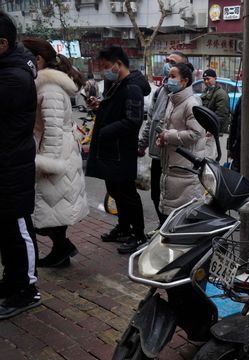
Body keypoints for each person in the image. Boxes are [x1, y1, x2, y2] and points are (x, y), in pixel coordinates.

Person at [22, 38, 89, 268]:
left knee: (48, 210)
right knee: (53, 208)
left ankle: (62, 249)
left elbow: (52, 129)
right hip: (60, 152)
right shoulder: (48, 85)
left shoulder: (48, 88)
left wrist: (47, 162)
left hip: (55, 155)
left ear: (37, 59)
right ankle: (62, 249)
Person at [85, 46, 151, 255]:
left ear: (118, 64)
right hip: (112, 151)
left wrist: (105, 130)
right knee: (115, 192)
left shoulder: (132, 88)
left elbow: (133, 120)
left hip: (122, 151)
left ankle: (139, 235)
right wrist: (99, 107)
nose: (105, 71)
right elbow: (116, 110)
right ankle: (123, 228)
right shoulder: (117, 84)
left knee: (127, 194)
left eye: (106, 67)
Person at [0, 11, 41, 319]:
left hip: (11, 163)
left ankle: (27, 288)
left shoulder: (14, 77)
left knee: (18, 228)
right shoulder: (10, 65)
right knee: (6, 231)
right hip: (7, 161)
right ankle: (12, 280)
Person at [138, 51, 188, 227]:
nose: (167, 65)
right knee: (156, 195)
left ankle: (169, 231)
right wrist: (143, 144)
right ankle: (162, 228)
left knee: (172, 199)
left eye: (172, 63)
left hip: (174, 157)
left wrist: (169, 136)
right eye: (167, 61)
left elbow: (194, 134)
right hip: (157, 154)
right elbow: (151, 121)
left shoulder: (188, 99)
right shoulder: (160, 92)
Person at [156, 63, 207, 220]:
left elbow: (195, 134)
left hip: (184, 169)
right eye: (168, 76)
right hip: (171, 165)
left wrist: (168, 136)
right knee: (170, 216)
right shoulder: (174, 100)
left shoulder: (191, 103)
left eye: (173, 76)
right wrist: (162, 138)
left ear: (184, 81)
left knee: (182, 217)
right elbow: (170, 127)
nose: (168, 80)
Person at [228, 96, 242, 172]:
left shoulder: (241, 99)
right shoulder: (241, 100)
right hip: (238, 146)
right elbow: (233, 124)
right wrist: (230, 147)